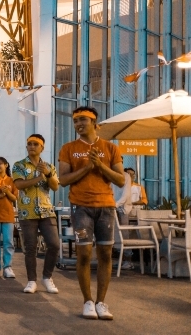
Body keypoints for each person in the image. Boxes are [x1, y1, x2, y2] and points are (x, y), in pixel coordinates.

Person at [58, 106, 125, 320]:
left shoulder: (110, 148)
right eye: (75, 120)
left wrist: (100, 166)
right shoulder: (68, 148)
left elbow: (121, 179)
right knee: (84, 254)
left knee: (105, 254)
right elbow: (63, 180)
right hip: (80, 207)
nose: (78, 123)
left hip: (106, 206)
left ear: (95, 123)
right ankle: (87, 301)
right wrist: (87, 167)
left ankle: (101, 303)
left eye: (83, 119)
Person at [12, 134, 61, 294]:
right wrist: (39, 177)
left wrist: (47, 174)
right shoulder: (18, 165)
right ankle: (31, 280)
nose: (32, 146)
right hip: (28, 211)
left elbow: (55, 187)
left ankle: (47, 277)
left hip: (47, 210)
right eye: (29, 144)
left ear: (42, 147)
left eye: (35, 144)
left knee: (54, 244)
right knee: (30, 247)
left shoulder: (49, 166)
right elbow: (19, 184)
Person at [113, 171, 134, 270]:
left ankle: (128, 260)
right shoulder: (108, 173)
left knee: (125, 234)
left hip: (124, 208)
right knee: (114, 234)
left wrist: (116, 204)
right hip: (112, 207)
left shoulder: (126, 176)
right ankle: (120, 260)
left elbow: (126, 195)